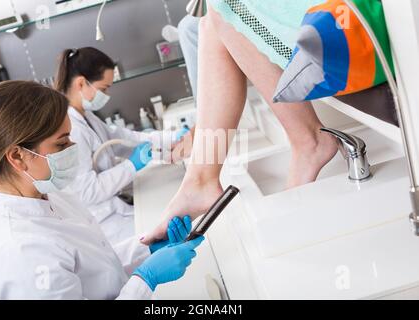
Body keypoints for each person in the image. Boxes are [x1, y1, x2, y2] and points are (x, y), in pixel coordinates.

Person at [0, 81, 203, 299]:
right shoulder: (21, 252)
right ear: (18, 157)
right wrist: (145, 280)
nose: (73, 148)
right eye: (61, 143)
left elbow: (96, 267)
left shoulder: (45, 192)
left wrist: (148, 249)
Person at [142, 1, 339, 245]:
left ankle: (308, 139)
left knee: (222, 11)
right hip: (329, 22)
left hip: (348, 23)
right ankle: (200, 179)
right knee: (210, 20)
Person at [54, 47, 191, 244]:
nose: (107, 95)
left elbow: (120, 139)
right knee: (161, 233)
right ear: (81, 83)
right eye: (103, 89)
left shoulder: (86, 116)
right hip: (104, 221)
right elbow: (87, 191)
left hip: (115, 207)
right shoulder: (72, 129)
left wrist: (169, 138)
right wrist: (132, 165)